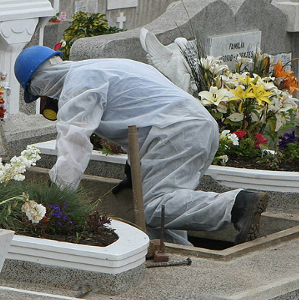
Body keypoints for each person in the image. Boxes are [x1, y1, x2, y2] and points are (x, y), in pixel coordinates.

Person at [14, 46, 268, 246]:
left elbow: (73, 146)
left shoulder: (78, 84)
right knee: (167, 208)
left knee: (154, 206)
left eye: (41, 97)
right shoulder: (105, 67)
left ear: (38, 85)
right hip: (196, 125)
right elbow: (141, 111)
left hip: (175, 131)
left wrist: (57, 198)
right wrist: (132, 172)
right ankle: (179, 255)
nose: (47, 102)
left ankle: (237, 205)